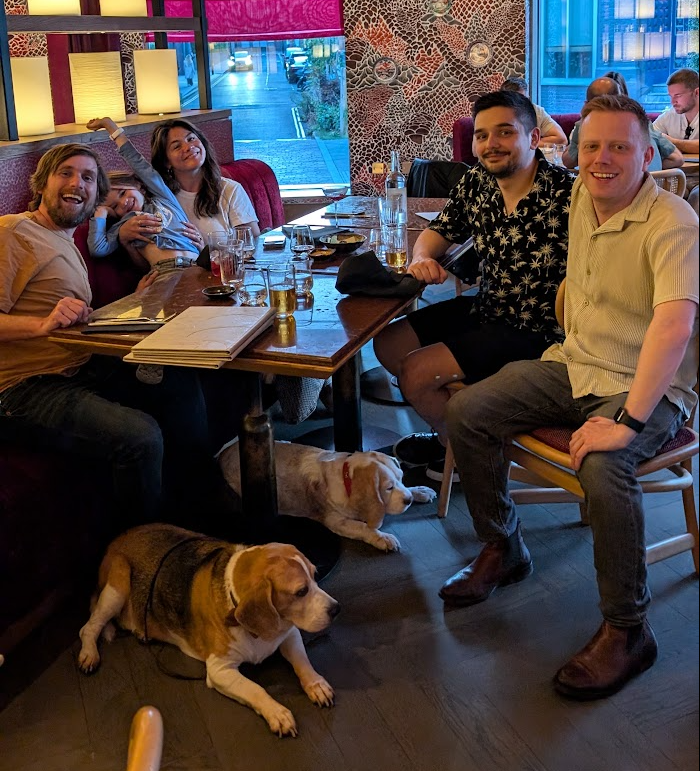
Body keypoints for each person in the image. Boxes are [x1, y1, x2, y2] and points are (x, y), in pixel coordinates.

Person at [441, 95, 698, 700]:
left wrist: (628, 420)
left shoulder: (674, 222)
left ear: (647, 155)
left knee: (606, 464)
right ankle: (504, 545)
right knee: (467, 410)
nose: (602, 159)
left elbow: (674, 326)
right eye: (592, 146)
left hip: (646, 384)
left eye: (619, 147)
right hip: (576, 363)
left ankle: (628, 630)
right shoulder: (581, 193)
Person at [0, 143, 241, 533]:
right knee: (140, 437)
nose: (77, 183)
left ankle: (199, 505)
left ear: (96, 195)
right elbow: (48, 321)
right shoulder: (14, 232)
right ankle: (150, 548)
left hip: (79, 365)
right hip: (23, 389)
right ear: (41, 183)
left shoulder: (62, 239)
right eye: (66, 173)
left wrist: (135, 299)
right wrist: (42, 324)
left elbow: (72, 318)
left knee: (177, 375)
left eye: (88, 178)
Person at [373, 91, 575, 479]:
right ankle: (456, 440)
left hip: (541, 330)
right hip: (489, 308)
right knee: (389, 343)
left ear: (533, 138)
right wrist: (421, 257)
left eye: (505, 132)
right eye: (482, 135)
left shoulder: (568, 194)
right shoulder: (477, 182)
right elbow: (439, 230)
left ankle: (469, 455)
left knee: (417, 372)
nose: (490, 144)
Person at [86, 117, 204, 273]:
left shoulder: (163, 198)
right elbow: (98, 249)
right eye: (114, 206)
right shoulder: (125, 225)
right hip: (166, 271)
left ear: (138, 185)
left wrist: (111, 127)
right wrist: (101, 213)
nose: (123, 202)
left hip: (198, 265)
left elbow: (139, 164)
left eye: (123, 193)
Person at [150, 118, 260, 241]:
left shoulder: (230, 190)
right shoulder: (162, 200)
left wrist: (206, 251)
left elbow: (252, 243)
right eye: (177, 146)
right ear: (166, 161)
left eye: (191, 139)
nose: (188, 147)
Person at [562, 77, 684, 171]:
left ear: (586, 104)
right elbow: (677, 158)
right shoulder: (642, 122)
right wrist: (647, 167)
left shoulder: (585, 125)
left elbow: (568, 162)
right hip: (653, 188)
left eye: (619, 147)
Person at [500, 77, 568, 145]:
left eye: (523, 99)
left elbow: (562, 139)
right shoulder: (496, 114)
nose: (520, 104)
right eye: (514, 100)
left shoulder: (537, 112)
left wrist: (528, 143)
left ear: (528, 98)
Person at [652, 68, 699, 155]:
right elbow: (650, 135)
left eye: (678, 96)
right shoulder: (670, 115)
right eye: (671, 96)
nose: (673, 102)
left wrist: (672, 142)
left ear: (697, 92)